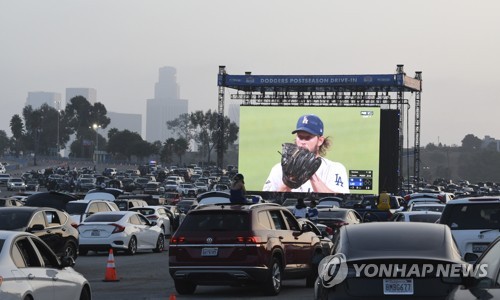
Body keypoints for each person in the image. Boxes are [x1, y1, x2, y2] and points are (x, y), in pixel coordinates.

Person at [263, 114, 349, 193]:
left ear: (320, 141)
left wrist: (310, 172)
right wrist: (288, 181)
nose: (303, 142)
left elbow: (337, 202)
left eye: (308, 138)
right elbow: (267, 203)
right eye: (300, 137)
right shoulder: (278, 169)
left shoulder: (334, 169)